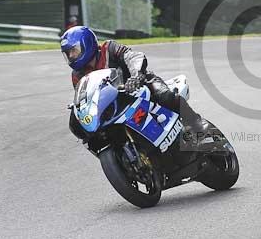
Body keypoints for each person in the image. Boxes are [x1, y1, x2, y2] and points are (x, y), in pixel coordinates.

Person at [61, 26, 207, 148]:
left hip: (140, 85)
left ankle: (197, 125)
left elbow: (133, 56)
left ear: (86, 44)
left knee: (165, 95)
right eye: (68, 54)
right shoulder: (77, 75)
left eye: (74, 51)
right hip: (116, 105)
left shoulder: (109, 48)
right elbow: (86, 97)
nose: (71, 56)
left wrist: (136, 75)